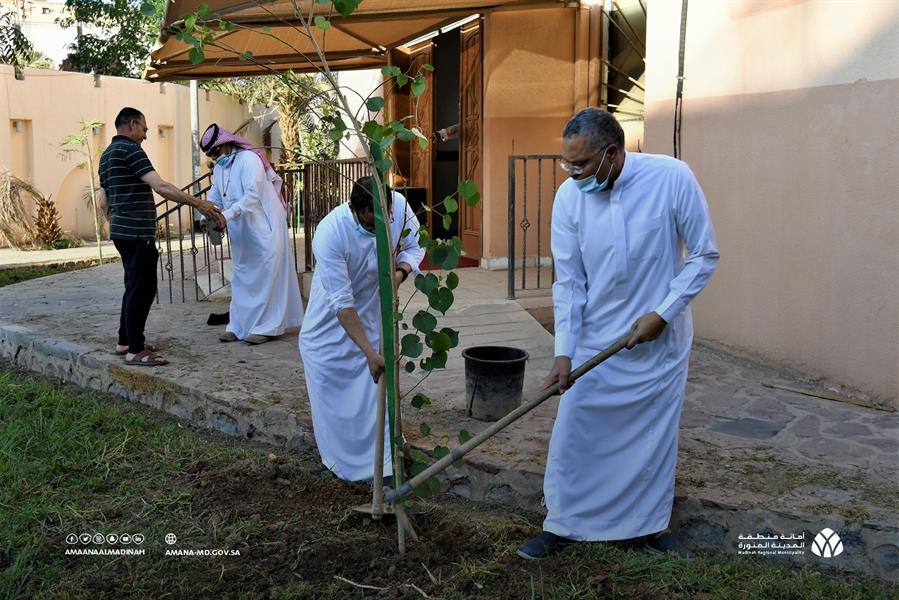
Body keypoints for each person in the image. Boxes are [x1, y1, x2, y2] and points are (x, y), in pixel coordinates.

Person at [517, 108, 719, 560]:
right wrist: (564, 353)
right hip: (596, 342)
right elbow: (569, 281)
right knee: (574, 433)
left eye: (581, 164)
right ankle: (563, 523)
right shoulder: (569, 199)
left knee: (652, 439)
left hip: (656, 345)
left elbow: (704, 254)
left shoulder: (671, 178)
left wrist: (663, 314)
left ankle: (648, 527)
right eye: (566, 164)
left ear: (612, 153)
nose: (571, 173)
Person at [299, 176, 424, 481]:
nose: (379, 229)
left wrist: (400, 272)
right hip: (330, 327)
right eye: (370, 226)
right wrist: (368, 352)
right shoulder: (331, 233)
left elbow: (414, 247)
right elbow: (341, 302)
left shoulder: (400, 209)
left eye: (384, 220)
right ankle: (339, 465)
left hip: (372, 315)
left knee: (374, 398)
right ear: (355, 210)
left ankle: (382, 465)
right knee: (334, 399)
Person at [98, 107, 225, 366]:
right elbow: (161, 186)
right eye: (144, 128)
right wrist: (199, 204)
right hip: (137, 233)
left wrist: (118, 219)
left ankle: (125, 342)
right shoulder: (130, 150)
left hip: (121, 232)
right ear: (132, 124)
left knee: (132, 286)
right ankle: (135, 350)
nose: (145, 135)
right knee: (143, 289)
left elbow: (103, 200)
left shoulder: (107, 154)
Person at [200, 123, 304, 345]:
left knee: (266, 276)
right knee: (241, 278)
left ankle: (267, 327)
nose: (214, 157)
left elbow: (252, 198)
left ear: (225, 144)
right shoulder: (219, 168)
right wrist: (206, 215)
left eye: (215, 152)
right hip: (241, 232)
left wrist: (225, 217)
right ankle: (237, 326)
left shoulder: (249, 160)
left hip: (264, 227)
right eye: (210, 154)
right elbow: (215, 196)